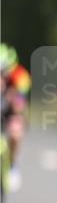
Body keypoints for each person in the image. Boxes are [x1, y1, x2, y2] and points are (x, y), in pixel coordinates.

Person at [1, 44, 31, 191]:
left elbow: (20, 105)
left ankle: (12, 165)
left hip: (9, 112)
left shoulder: (20, 76)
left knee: (15, 131)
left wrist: (12, 98)